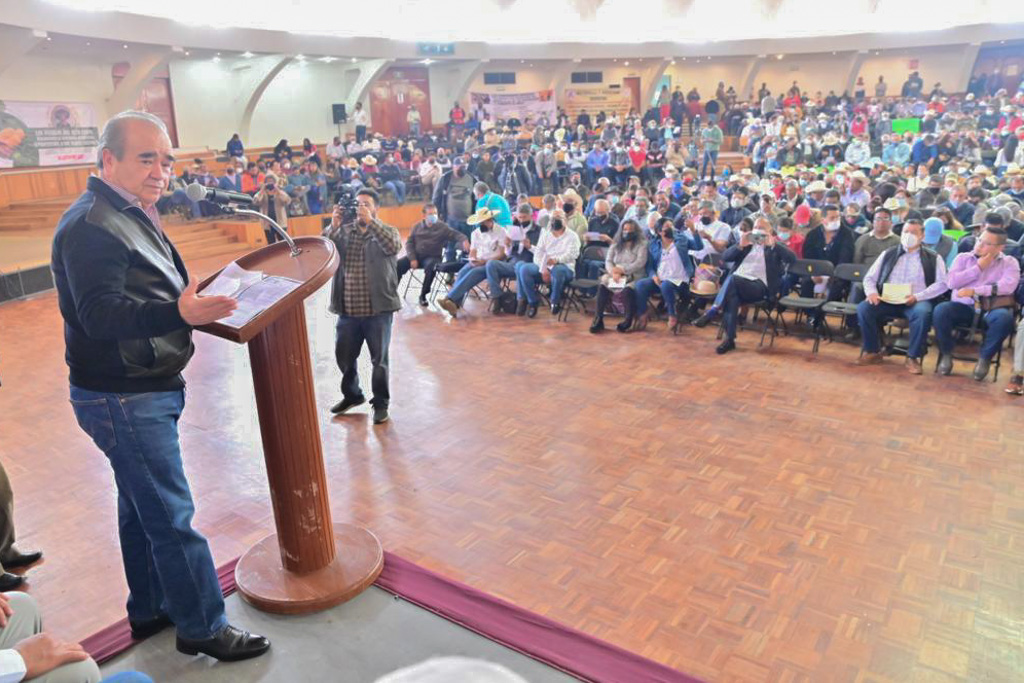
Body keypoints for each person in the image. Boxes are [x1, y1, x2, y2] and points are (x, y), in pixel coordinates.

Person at [51, 110, 269, 661]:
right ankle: (203, 626)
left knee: (140, 504)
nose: (161, 171)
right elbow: (99, 315)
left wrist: (190, 300)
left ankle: (151, 607)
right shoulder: (92, 225)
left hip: (139, 386)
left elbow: (145, 286)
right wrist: (179, 311)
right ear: (109, 160)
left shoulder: (126, 209)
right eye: (146, 158)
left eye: (167, 160)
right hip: (123, 394)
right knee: (171, 515)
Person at [324, 188, 402, 424]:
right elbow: (325, 250)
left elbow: (393, 246)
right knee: (344, 356)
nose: (360, 208)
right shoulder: (344, 232)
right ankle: (353, 395)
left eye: (366, 204)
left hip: (378, 311)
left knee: (379, 361)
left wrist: (371, 222)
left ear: (376, 208)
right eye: (357, 204)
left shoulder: (387, 231)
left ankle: (381, 403)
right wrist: (334, 225)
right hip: (348, 310)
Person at [856, 220, 949, 374]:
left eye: (914, 232)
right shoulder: (889, 254)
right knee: (864, 308)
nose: (908, 235)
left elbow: (942, 284)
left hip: (916, 300)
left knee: (922, 313)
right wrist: (872, 293)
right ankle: (872, 351)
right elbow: (869, 278)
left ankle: (912, 357)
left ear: (922, 235)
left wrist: (918, 296)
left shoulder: (933, 257)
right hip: (888, 299)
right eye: (906, 232)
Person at [693, 219, 797, 354]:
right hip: (738, 285)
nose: (758, 229)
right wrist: (739, 246)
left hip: (760, 286)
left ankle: (713, 310)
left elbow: (792, 259)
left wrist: (774, 245)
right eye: (756, 226)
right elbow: (725, 258)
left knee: (732, 280)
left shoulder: (775, 246)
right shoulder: (746, 243)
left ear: (770, 231)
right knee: (732, 298)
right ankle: (729, 340)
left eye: (762, 227)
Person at [933, 227, 1019, 380]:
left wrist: (975, 291)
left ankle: (985, 358)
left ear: (1000, 247)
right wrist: (978, 267)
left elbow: (1007, 286)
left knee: (1004, 319)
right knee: (941, 310)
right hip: (963, 306)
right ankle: (946, 353)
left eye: (987, 243)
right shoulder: (963, 258)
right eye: (979, 240)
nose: (979, 245)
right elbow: (951, 283)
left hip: (991, 308)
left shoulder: (1009, 262)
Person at [632, 218, 703, 331]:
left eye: (672, 226)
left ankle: (672, 314)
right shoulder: (653, 244)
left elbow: (699, 247)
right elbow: (649, 266)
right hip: (660, 278)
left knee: (666, 285)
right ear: (659, 231)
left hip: (679, 280)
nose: (671, 228)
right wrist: (653, 276)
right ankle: (643, 313)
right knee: (640, 284)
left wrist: (693, 230)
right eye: (667, 227)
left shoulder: (682, 239)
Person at [437, 208, 507, 318]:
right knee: (462, 272)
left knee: (474, 273)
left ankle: (449, 299)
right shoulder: (476, 233)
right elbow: (473, 250)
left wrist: (484, 261)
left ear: (490, 220)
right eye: (479, 223)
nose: (480, 225)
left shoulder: (501, 231)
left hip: (492, 263)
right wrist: (472, 258)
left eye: (483, 222)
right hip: (478, 261)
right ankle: (454, 304)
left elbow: (503, 254)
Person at [397, 203, 467, 306]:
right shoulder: (416, 227)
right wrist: (412, 258)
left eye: (435, 213)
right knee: (398, 264)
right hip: (416, 256)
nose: (433, 216)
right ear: (424, 216)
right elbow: (409, 243)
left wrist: (464, 240)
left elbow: (456, 234)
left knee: (431, 267)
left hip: (433, 257)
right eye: (430, 214)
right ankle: (393, 293)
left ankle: (423, 296)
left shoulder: (442, 227)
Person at [515, 210, 581, 317]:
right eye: (553, 218)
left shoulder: (572, 236)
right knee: (524, 269)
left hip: (564, 267)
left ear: (565, 220)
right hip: (545, 265)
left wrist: (556, 260)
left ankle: (555, 301)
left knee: (557, 270)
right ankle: (532, 302)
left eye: (558, 218)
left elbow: (573, 254)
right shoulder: (545, 234)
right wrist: (544, 268)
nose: (555, 220)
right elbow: (538, 253)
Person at [589, 219, 649, 333]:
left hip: (634, 274)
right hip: (615, 274)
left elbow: (640, 262)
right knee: (603, 285)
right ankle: (598, 319)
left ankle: (628, 320)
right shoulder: (616, 244)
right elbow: (608, 260)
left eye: (630, 230)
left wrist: (622, 270)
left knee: (628, 289)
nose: (627, 232)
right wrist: (613, 272)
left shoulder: (642, 245)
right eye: (625, 229)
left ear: (636, 231)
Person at [485, 203, 540, 307]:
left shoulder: (538, 231)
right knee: (491, 264)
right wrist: (508, 245)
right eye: (520, 217)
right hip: (512, 262)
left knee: (520, 265)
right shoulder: (514, 228)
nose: (522, 220)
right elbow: (508, 253)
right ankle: (497, 297)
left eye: (524, 217)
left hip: (528, 263)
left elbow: (542, 253)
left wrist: (530, 247)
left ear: (531, 216)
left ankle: (521, 301)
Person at [432, 157, 478, 261]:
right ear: (453, 167)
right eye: (459, 166)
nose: (461, 169)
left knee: (468, 246)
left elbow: (478, 197)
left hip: (469, 220)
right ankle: (450, 268)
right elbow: (436, 198)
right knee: (450, 247)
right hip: (451, 220)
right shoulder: (445, 178)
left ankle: (465, 266)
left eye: (463, 166)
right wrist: (436, 214)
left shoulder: (472, 179)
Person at [253, 174, 291, 244]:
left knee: (283, 243)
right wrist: (262, 190)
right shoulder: (262, 193)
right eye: (268, 182)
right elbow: (255, 202)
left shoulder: (280, 192)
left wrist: (278, 190)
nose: (270, 183)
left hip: (280, 222)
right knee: (271, 243)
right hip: (267, 223)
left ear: (275, 183)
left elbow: (287, 201)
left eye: (272, 182)